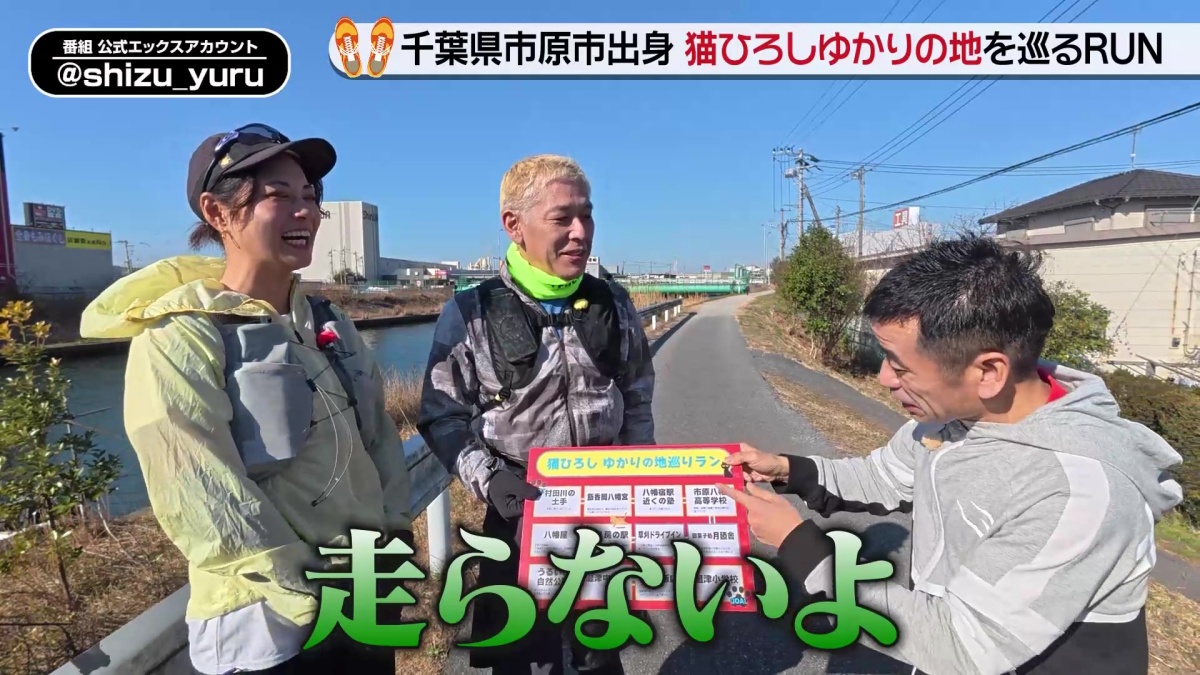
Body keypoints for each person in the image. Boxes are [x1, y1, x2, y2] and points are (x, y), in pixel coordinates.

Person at [717, 235, 1184, 675]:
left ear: (989, 372)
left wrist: (797, 543)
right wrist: (787, 470)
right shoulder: (951, 419)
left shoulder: (1078, 491)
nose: (884, 378)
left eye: (900, 366)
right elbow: (881, 478)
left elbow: (960, 643)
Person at [79, 124, 415, 674]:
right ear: (217, 212)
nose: (305, 212)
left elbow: (377, 436)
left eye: (310, 196)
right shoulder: (181, 333)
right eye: (279, 195)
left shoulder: (327, 321)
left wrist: (392, 540)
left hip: (359, 591)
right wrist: (304, 590)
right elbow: (199, 489)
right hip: (266, 626)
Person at [417, 154, 655, 674]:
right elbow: (441, 416)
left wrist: (644, 475)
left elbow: (637, 394)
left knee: (601, 654)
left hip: (604, 509)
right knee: (523, 658)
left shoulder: (612, 302)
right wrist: (489, 479)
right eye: (562, 218)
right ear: (514, 225)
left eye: (587, 215)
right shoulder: (471, 311)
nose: (580, 232)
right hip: (517, 511)